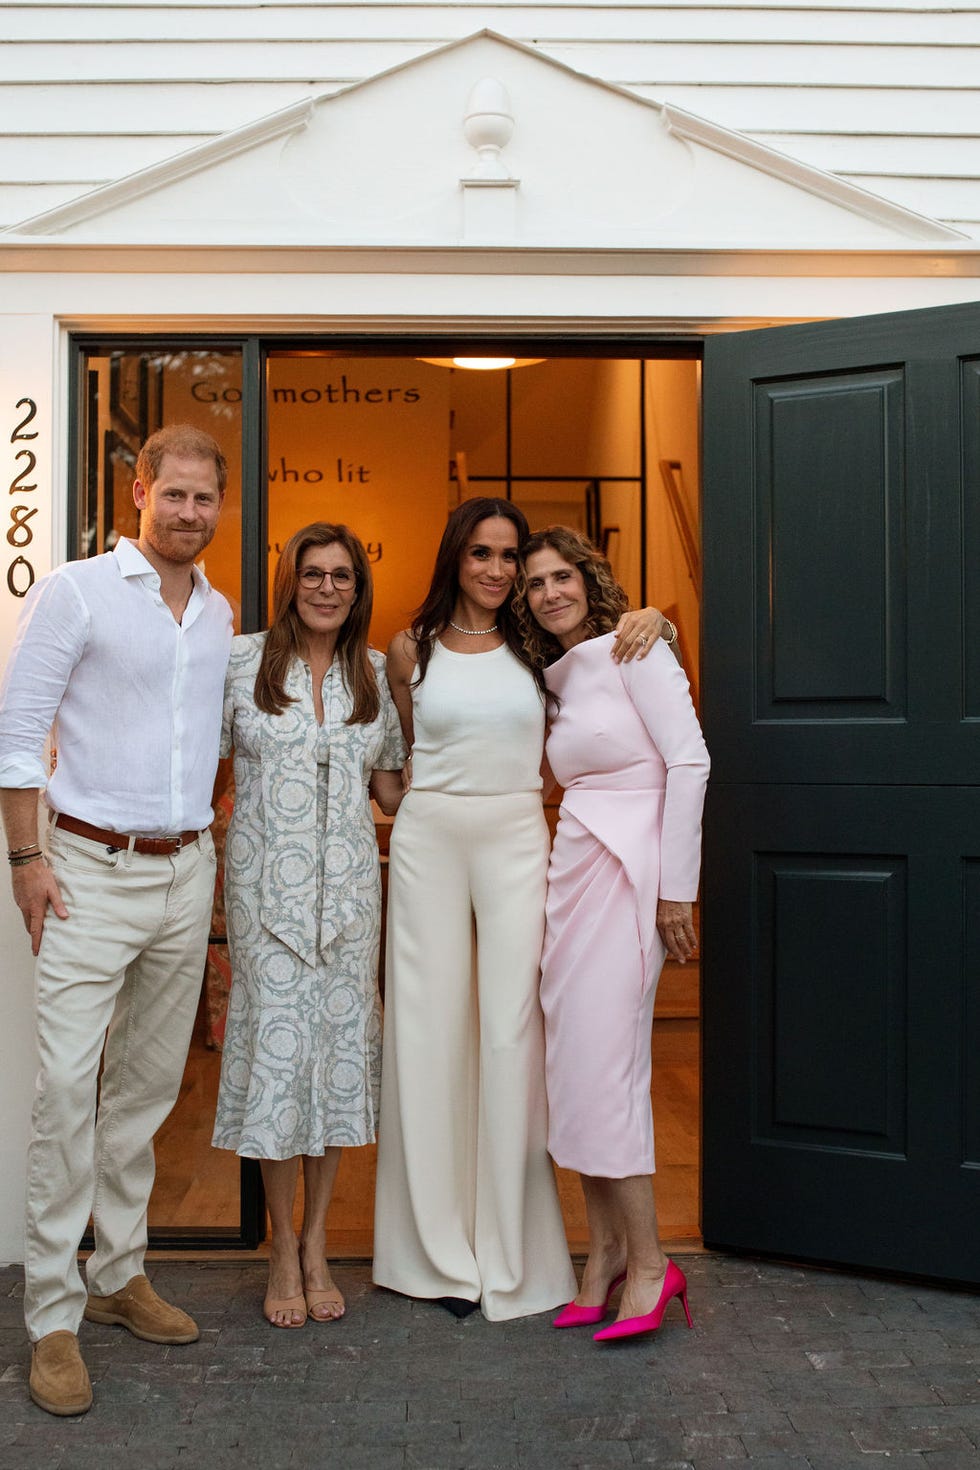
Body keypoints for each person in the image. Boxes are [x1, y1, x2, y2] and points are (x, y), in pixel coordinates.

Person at [372, 496, 667, 1320]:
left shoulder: (538, 647)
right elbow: (395, 764)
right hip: (427, 838)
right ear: (454, 560)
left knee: (512, 1032)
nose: (500, 571)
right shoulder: (408, 649)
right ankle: (430, 1252)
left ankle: (514, 1249)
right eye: (482, 554)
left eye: (510, 557)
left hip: (515, 839)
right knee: (426, 1033)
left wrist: (656, 621)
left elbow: (611, 653)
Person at [0, 424, 232, 1415]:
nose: (187, 512)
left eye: (203, 499)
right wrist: (26, 860)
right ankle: (51, 1316)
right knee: (64, 1090)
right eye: (171, 493)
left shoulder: (219, 612)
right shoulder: (77, 591)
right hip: (87, 869)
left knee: (142, 1092)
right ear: (138, 490)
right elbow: (16, 733)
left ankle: (116, 1273)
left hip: (186, 873)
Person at [514, 525, 709, 1341]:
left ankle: (654, 1264)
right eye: (535, 583)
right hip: (575, 867)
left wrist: (677, 893)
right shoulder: (551, 676)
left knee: (613, 1067)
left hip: (633, 874)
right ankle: (600, 1258)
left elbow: (690, 762)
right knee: (575, 1069)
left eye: (563, 576)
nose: (550, 591)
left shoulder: (638, 648)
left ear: (590, 581)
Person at [212, 523, 405, 1328]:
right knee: (275, 1067)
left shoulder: (376, 677)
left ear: (359, 589)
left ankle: (319, 1241)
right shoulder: (239, 662)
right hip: (266, 904)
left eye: (343, 577)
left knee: (331, 1068)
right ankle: (281, 1245)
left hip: (353, 904)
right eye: (314, 574)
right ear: (289, 580)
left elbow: (393, 792)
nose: (328, 588)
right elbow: (202, 770)